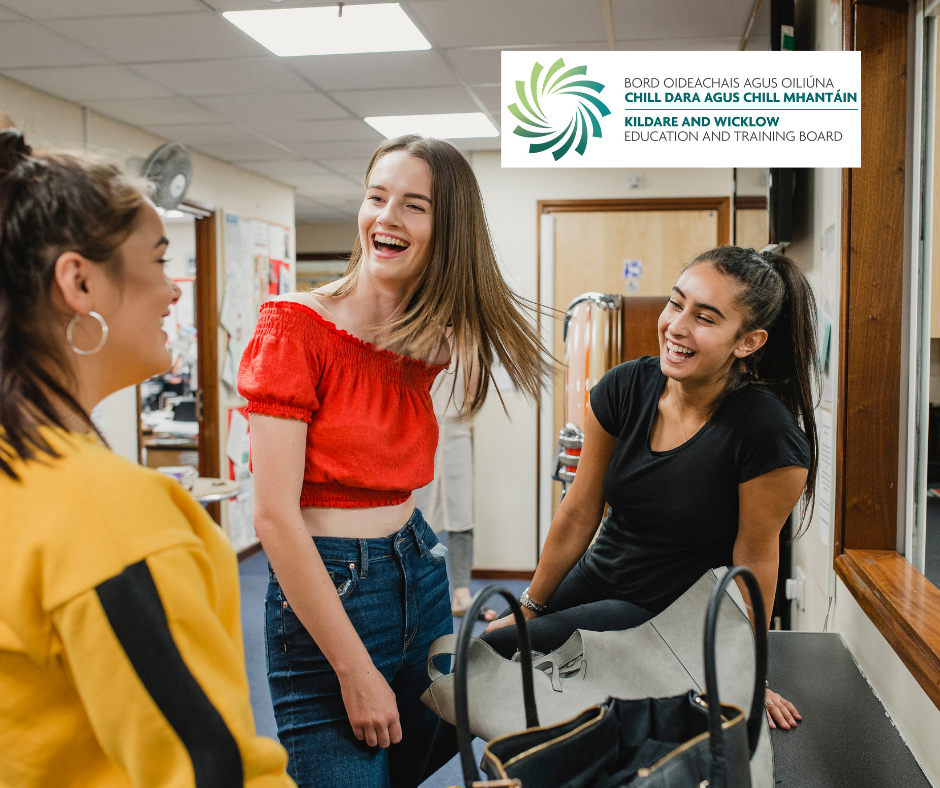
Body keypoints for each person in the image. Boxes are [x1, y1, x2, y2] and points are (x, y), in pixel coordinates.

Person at [238, 134, 549, 788]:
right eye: (377, 197)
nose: (386, 217)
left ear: (448, 230)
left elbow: (490, 298)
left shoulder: (430, 337)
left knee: (417, 770)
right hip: (333, 588)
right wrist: (354, 670)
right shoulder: (294, 326)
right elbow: (273, 517)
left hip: (422, 568)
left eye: (414, 205)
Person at [0, 130, 295, 785]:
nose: (173, 292)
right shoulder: (103, 513)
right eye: (160, 261)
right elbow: (209, 770)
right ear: (78, 281)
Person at [486, 245, 817, 733]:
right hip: (596, 579)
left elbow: (756, 561)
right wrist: (531, 605)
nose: (677, 327)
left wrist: (747, 672)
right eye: (675, 303)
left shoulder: (766, 433)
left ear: (747, 342)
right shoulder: (625, 388)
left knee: (497, 656)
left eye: (704, 318)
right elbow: (579, 512)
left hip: (660, 614)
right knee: (490, 659)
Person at [413, 363, 497, 621]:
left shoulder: (468, 336)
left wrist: (471, 343)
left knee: (462, 512)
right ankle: (417, 591)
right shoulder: (418, 327)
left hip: (457, 429)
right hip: (420, 427)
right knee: (418, 512)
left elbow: (475, 389)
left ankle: (461, 593)